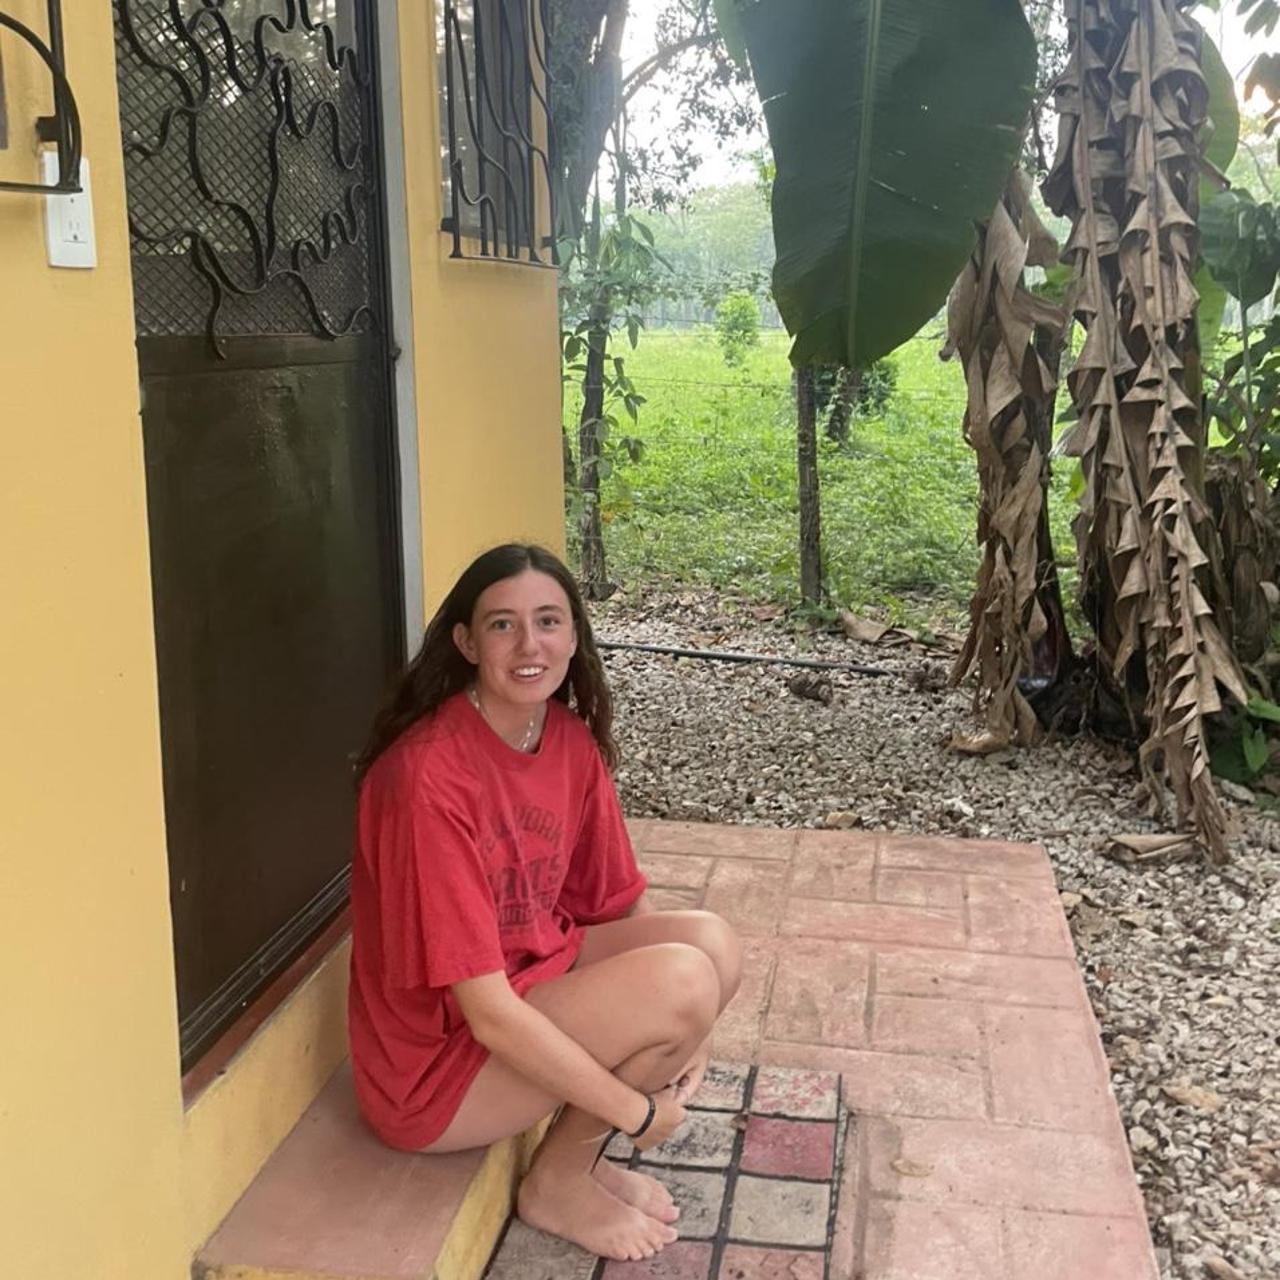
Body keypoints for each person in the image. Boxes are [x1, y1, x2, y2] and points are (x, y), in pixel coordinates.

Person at [348, 543, 742, 1262]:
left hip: (532, 980)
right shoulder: (428, 780)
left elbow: (616, 903)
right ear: (467, 643)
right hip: (437, 1070)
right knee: (682, 982)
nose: (530, 644)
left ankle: (577, 1163)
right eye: (502, 624)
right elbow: (488, 1014)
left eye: (549, 621)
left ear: (573, 635)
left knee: (710, 946)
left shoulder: (563, 737)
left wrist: (692, 1029)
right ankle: (558, 1182)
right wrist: (636, 1111)